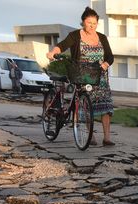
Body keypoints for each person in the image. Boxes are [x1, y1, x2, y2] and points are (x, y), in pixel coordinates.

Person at [47, 7, 115, 146]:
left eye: (94, 23)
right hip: (82, 75)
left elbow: (110, 56)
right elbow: (62, 46)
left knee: (106, 107)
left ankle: (107, 138)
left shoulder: (102, 37)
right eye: (89, 22)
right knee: (86, 106)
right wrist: (53, 52)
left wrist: (106, 64)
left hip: (100, 77)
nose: (92, 25)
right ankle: (91, 136)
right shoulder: (75, 35)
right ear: (83, 22)